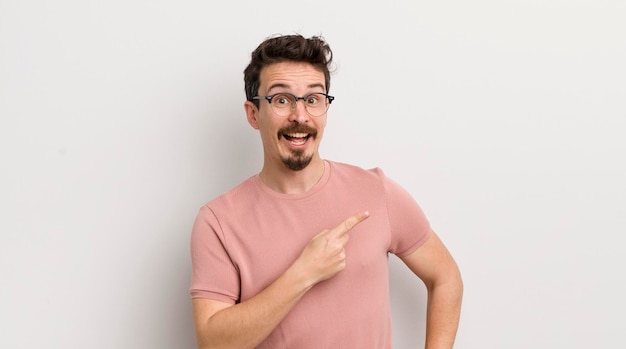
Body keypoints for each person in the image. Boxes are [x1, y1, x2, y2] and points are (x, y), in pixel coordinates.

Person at [189, 34, 463, 349]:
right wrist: (302, 274)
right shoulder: (218, 221)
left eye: (313, 99)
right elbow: (213, 343)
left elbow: (446, 277)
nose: (300, 115)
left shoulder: (377, 192)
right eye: (281, 99)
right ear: (253, 114)